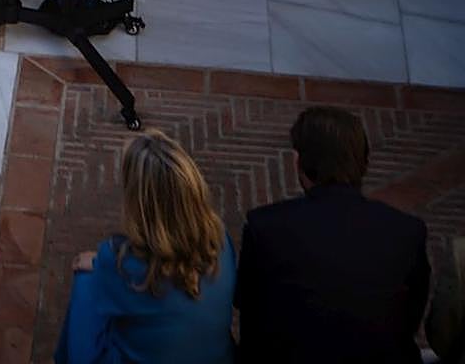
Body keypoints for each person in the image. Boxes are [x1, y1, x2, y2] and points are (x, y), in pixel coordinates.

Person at [237, 105, 431, 364]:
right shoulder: (407, 231)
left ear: (298, 163)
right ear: (363, 163)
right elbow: (411, 316)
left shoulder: (265, 227)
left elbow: (248, 309)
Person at [55, 128, 237, 364]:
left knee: (86, 283)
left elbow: (121, 274)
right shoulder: (220, 239)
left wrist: (99, 265)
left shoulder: (124, 264)